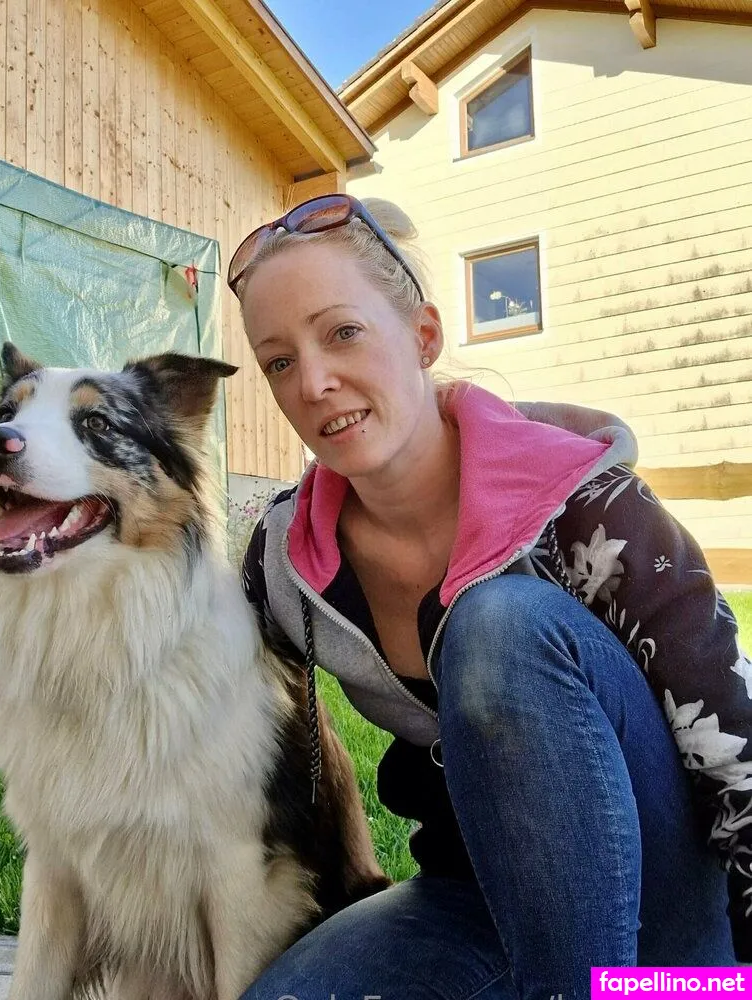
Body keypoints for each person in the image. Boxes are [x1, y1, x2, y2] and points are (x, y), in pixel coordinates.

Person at [228, 194, 751, 999]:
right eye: (279, 362)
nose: (315, 382)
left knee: (499, 627)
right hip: (479, 898)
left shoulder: (586, 506)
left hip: (668, 927)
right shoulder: (284, 558)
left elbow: (734, 741)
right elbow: (215, 714)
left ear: (424, 335)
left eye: (342, 332)